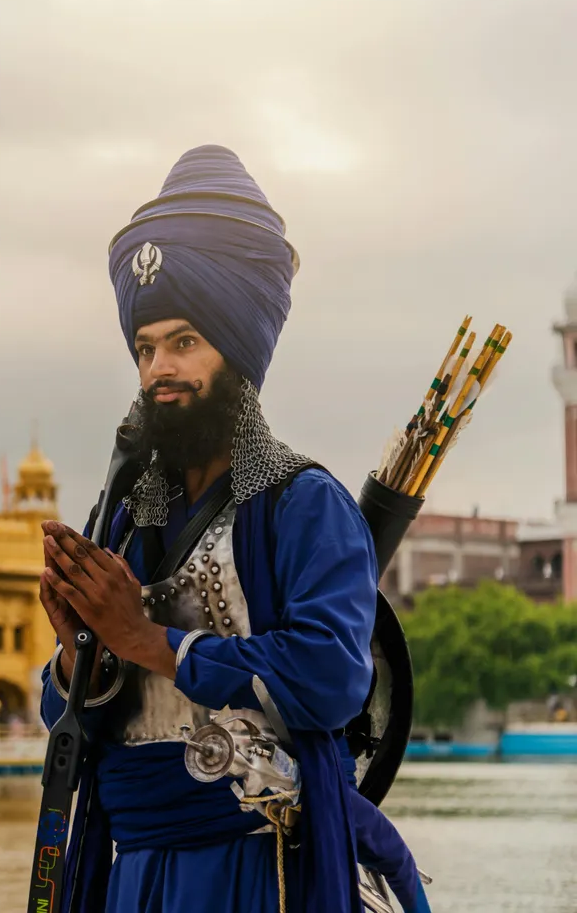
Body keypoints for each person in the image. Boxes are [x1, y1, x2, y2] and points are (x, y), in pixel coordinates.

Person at [37, 146, 429, 913]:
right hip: (134, 871)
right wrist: (75, 655)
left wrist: (151, 641)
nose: (158, 370)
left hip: (259, 871)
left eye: (184, 342)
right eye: (146, 349)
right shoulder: (126, 511)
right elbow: (65, 721)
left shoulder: (304, 503)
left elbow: (329, 680)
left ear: (238, 351)